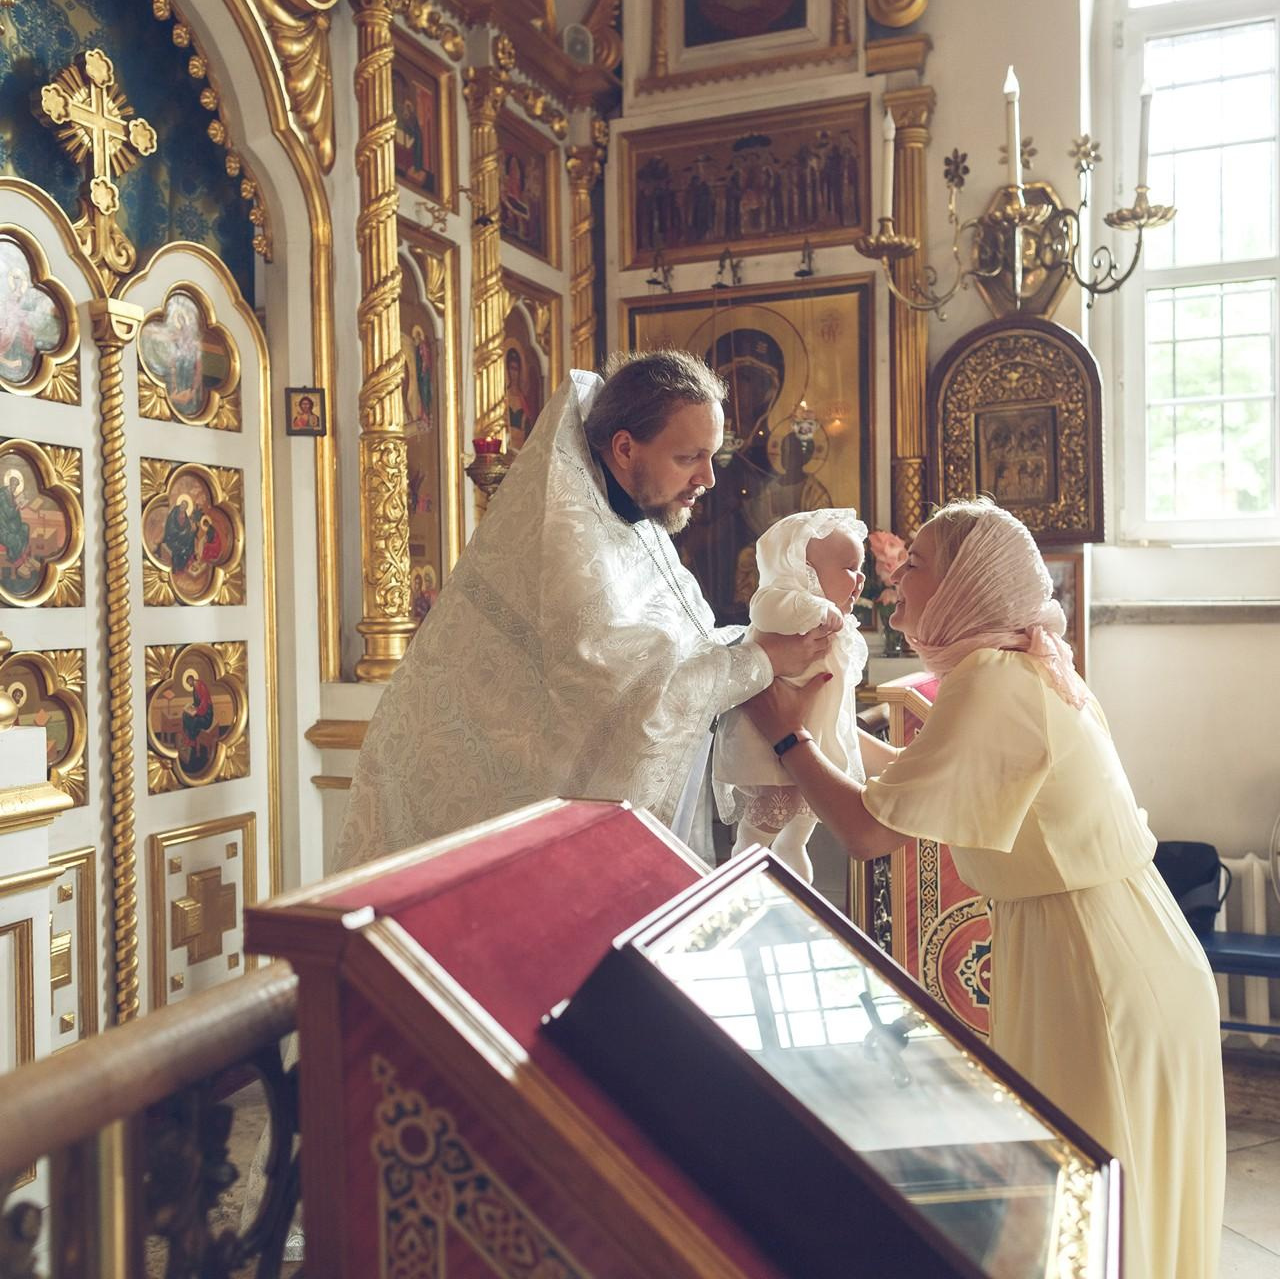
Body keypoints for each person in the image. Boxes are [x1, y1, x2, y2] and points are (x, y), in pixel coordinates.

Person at [742, 497, 1224, 1279]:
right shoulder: (1018, 664)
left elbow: (868, 833)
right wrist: (824, 725)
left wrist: (784, 733)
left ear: (968, 583)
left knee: (1084, 1206)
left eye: (915, 567)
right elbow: (915, 782)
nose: (892, 582)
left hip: (1097, 966)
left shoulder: (993, 678)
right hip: (1114, 945)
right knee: (1107, 1202)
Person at [335, 349, 835, 868]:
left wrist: (766, 643)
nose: (708, 478)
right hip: (476, 819)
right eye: (689, 458)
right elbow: (628, 701)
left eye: (711, 456)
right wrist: (762, 660)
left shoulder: (631, 524)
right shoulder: (565, 536)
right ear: (624, 448)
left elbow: (682, 647)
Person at [713, 509, 871, 883]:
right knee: (763, 826)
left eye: (861, 568)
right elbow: (766, 608)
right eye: (850, 567)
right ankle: (739, 875)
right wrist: (817, 606)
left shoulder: (836, 626)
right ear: (805, 572)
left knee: (798, 833)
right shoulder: (782, 602)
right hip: (770, 746)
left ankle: (798, 896)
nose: (861, 579)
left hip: (811, 744)